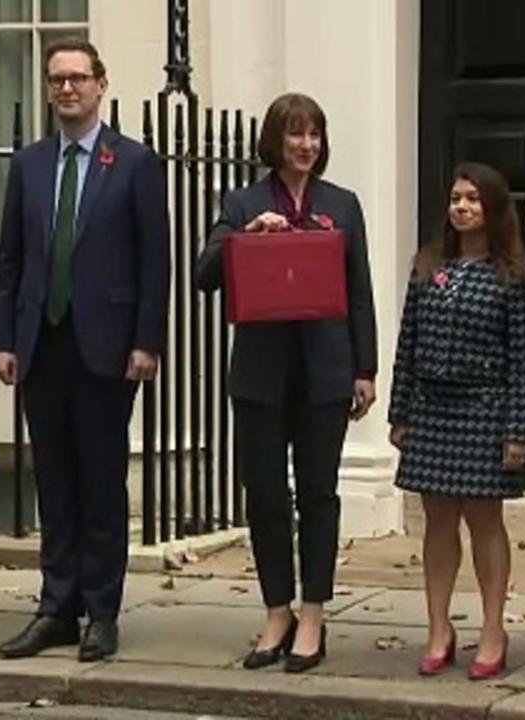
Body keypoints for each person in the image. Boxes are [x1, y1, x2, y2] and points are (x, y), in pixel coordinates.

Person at [0, 38, 170, 663]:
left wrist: (148, 340)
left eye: (78, 78)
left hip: (107, 347)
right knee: (55, 483)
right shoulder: (31, 163)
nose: (67, 88)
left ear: (101, 84)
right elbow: (10, 258)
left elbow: (156, 259)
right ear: (47, 89)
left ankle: (101, 610)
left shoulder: (134, 163)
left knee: (100, 482)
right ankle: (55, 606)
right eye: (57, 79)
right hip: (41, 343)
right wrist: (4, 339)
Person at [193, 92, 377, 674]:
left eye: (315, 135)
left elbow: (360, 291)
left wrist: (365, 369)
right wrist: (243, 236)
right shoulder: (244, 200)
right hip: (261, 375)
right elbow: (204, 275)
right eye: (296, 135)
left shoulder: (341, 205)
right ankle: (277, 610)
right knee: (267, 496)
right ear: (276, 140)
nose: (306, 146)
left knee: (319, 495)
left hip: (324, 372)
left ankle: (314, 614)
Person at [388, 162, 525, 681]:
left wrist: (518, 430)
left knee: (484, 522)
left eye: (473, 198)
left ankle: (493, 628)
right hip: (431, 409)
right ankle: (438, 628)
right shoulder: (428, 266)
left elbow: (523, 359)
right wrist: (399, 411)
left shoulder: (514, 276)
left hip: (485, 411)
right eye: (456, 198)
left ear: (493, 208)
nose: (462, 207)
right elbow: (407, 344)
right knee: (437, 522)